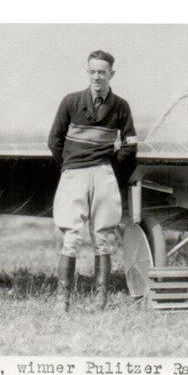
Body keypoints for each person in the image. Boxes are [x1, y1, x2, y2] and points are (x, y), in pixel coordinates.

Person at [48, 50, 137, 312]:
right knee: (71, 236)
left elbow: (130, 145)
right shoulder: (71, 102)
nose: (97, 77)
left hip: (103, 173)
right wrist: (70, 165)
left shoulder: (121, 106)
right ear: (88, 73)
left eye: (102, 72)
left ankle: (101, 299)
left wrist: (110, 172)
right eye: (92, 72)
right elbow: (54, 140)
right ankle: (62, 299)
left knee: (103, 236)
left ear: (111, 74)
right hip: (74, 173)